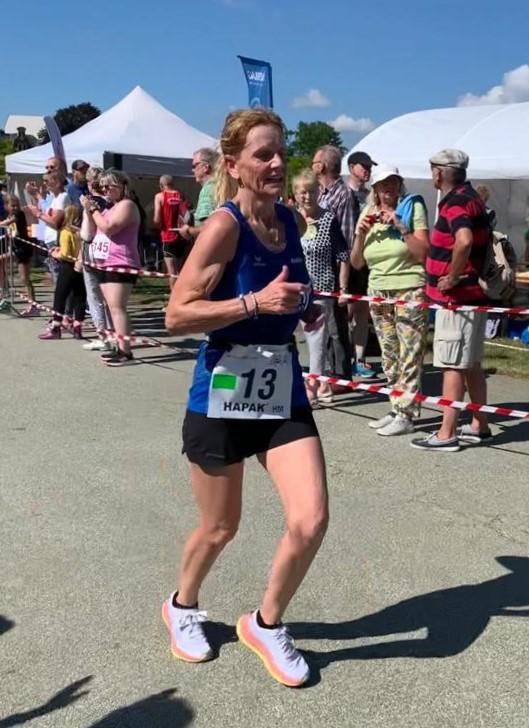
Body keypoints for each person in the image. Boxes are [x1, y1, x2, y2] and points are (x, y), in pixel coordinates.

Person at [163, 108, 328, 688]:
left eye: (281, 151)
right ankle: (182, 605)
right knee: (220, 526)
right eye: (264, 154)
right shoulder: (223, 226)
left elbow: (287, 293)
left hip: (280, 383)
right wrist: (255, 304)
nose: (278, 162)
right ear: (233, 166)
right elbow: (177, 313)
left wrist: (304, 307)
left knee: (310, 518)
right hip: (225, 386)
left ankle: (266, 623)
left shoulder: (290, 220)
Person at [411, 149, 493, 453]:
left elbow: (464, 240)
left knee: (451, 365)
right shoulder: (472, 197)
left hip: (456, 300)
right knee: (471, 364)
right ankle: (479, 425)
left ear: (440, 172)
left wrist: (453, 276)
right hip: (473, 298)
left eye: (432, 168)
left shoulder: (455, 202)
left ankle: (446, 433)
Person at [351, 164, 429, 436]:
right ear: (374, 188)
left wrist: (401, 226)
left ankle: (407, 414)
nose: (388, 188)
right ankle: (396, 407)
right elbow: (357, 263)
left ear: (399, 184)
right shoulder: (367, 212)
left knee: (409, 354)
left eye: (393, 182)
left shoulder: (412, 206)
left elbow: (423, 253)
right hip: (379, 290)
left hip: (409, 287)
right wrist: (360, 233)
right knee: (389, 354)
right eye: (383, 184)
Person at [293, 168, 350, 405]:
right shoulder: (291, 220)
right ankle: (322, 387)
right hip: (295, 288)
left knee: (317, 341)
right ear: (295, 194)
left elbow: (343, 255)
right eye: (302, 192)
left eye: (311, 191)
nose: (307, 196)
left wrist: (343, 289)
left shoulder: (328, 219)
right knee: (296, 340)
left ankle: (313, 388)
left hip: (321, 289)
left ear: (318, 193)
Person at [81, 170, 141, 366]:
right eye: (102, 186)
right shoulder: (109, 208)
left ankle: (126, 352)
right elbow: (90, 233)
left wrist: (93, 210)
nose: (105, 190)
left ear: (122, 186)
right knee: (112, 308)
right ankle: (121, 346)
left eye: (109, 186)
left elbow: (109, 228)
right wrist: (88, 212)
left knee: (117, 308)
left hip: (121, 262)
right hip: (105, 262)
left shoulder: (127, 205)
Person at [312, 145, 359, 380]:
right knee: (321, 327)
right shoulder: (319, 193)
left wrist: (344, 283)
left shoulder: (344, 194)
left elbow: (347, 239)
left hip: (335, 269)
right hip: (316, 268)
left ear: (321, 166)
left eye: (314, 162)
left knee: (336, 327)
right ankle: (328, 371)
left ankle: (341, 375)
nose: (312, 166)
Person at [38, 205, 87, 340]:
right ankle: (77, 327)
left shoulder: (65, 231)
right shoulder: (80, 232)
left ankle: (56, 327)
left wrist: (56, 254)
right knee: (79, 296)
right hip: (79, 266)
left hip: (67, 267)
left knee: (60, 296)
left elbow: (65, 254)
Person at [79, 167, 113, 351]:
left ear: (90, 183)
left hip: (92, 249)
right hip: (107, 251)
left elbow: (87, 232)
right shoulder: (112, 202)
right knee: (107, 297)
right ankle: (112, 334)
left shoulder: (90, 202)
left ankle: (103, 336)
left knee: (94, 296)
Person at [25, 172, 70, 286]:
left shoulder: (63, 197)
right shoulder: (55, 198)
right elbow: (46, 212)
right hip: (50, 240)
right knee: (55, 274)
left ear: (57, 182)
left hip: (57, 241)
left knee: (59, 277)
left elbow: (55, 222)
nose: (44, 183)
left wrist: (38, 214)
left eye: (47, 181)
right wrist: (36, 195)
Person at [0, 196, 37, 315]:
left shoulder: (19, 214)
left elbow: (7, 223)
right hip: (16, 248)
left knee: (25, 278)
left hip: (23, 249)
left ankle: (33, 305)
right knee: (2, 262)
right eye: (12, 205)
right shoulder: (8, 216)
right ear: (6, 206)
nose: (15, 207)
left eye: (17, 205)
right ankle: (4, 292)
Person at [154, 175, 188, 292]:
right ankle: (182, 295)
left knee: (172, 272)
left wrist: (157, 225)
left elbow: (157, 219)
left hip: (168, 236)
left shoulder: (159, 196)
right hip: (182, 236)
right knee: (180, 271)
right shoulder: (180, 195)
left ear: (161, 185)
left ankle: (174, 298)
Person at [179, 147, 219, 243]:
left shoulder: (207, 190)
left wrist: (188, 230)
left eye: (195, 165)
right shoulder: (220, 186)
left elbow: (207, 227)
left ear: (206, 167)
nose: (193, 170)